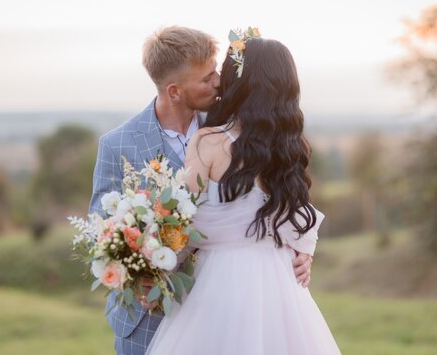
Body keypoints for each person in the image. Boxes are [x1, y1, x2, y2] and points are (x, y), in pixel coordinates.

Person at [89, 26, 314, 355]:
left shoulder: (237, 128)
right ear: (175, 91)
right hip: (148, 318)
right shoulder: (117, 144)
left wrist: (301, 248)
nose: (219, 82)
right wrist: (139, 271)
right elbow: (102, 226)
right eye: (207, 78)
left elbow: (275, 196)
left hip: (230, 306)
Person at [146, 33, 342, 354]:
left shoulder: (209, 142)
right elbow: (297, 219)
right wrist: (304, 251)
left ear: (238, 82)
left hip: (220, 282)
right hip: (280, 283)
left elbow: (180, 218)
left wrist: (157, 266)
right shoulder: (290, 148)